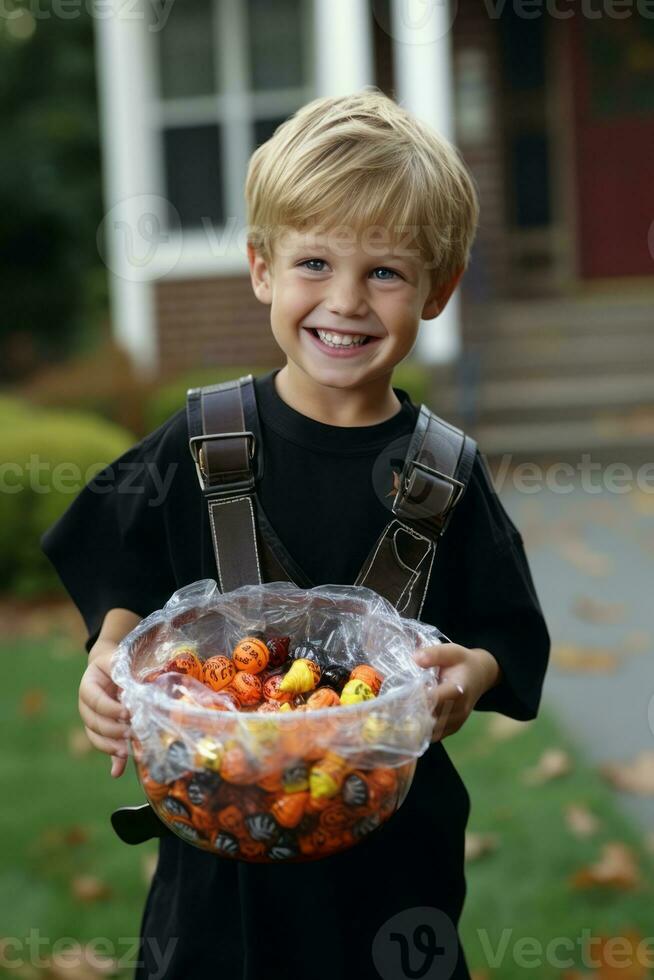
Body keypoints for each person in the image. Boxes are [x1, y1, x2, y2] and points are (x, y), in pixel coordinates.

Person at [41, 88, 550, 980]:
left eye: (385, 272)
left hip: (391, 875)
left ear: (439, 290)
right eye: (314, 262)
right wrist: (108, 661)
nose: (346, 302)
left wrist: (469, 674)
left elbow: (509, 633)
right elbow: (117, 558)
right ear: (262, 267)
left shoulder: (446, 472)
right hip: (216, 867)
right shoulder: (204, 442)